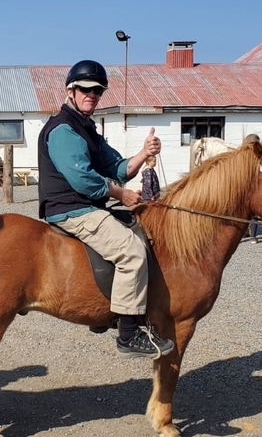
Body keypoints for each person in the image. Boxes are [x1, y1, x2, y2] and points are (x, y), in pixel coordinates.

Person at [37, 59, 175, 358]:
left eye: (98, 90)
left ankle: (106, 310)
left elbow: (117, 167)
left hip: (86, 205)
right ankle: (128, 335)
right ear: (70, 91)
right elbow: (83, 179)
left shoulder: (87, 129)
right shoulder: (63, 129)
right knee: (131, 252)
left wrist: (144, 152)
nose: (92, 94)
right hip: (71, 208)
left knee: (142, 231)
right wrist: (121, 195)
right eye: (85, 89)